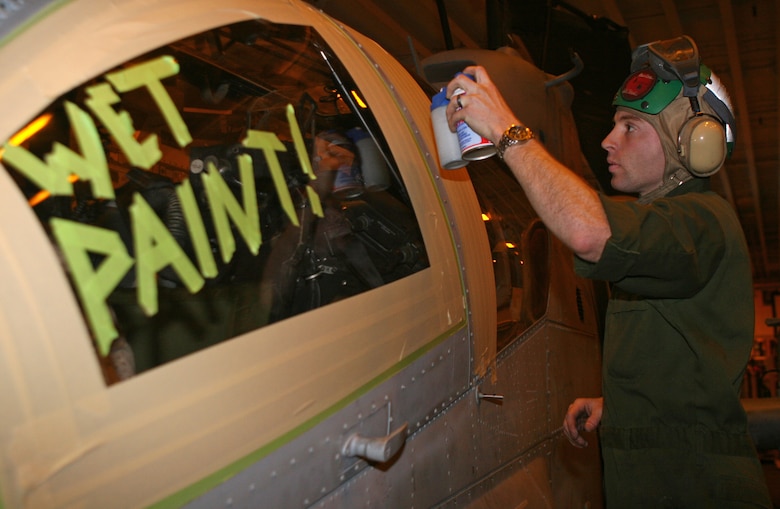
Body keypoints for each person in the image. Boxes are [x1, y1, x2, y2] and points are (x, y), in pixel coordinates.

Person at [445, 35, 772, 508]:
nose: (608, 140)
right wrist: (617, 410)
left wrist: (505, 129)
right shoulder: (666, 229)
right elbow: (682, 363)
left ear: (692, 142)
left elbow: (589, 233)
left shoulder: (702, 220)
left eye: (630, 127)